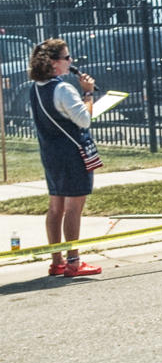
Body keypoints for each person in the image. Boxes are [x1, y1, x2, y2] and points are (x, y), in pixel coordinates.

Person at [28, 38, 102, 277]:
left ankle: (56, 259)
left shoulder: (36, 87)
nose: (71, 62)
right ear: (53, 63)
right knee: (74, 207)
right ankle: (73, 261)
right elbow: (84, 119)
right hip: (72, 153)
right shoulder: (63, 89)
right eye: (67, 58)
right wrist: (88, 94)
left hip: (51, 153)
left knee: (56, 206)